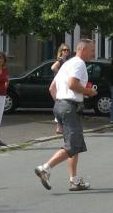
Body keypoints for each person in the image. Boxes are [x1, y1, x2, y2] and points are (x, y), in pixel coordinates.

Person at [34, 38, 97, 192]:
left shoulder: (66, 64)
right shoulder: (79, 63)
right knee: (73, 145)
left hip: (61, 105)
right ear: (82, 49)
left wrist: (61, 103)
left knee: (74, 145)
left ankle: (74, 180)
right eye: (92, 50)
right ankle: (45, 168)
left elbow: (52, 88)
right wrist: (89, 92)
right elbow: (73, 84)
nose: (93, 53)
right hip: (69, 107)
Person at [51, 44, 71, 134]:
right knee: (61, 104)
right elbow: (53, 68)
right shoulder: (60, 60)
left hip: (62, 84)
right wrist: (61, 75)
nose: (66, 51)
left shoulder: (67, 61)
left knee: (61, 104)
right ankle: (59, 127)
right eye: (64, 50)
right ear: (61, 51)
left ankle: (60, 127)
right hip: (60, 84)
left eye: (67, 50)